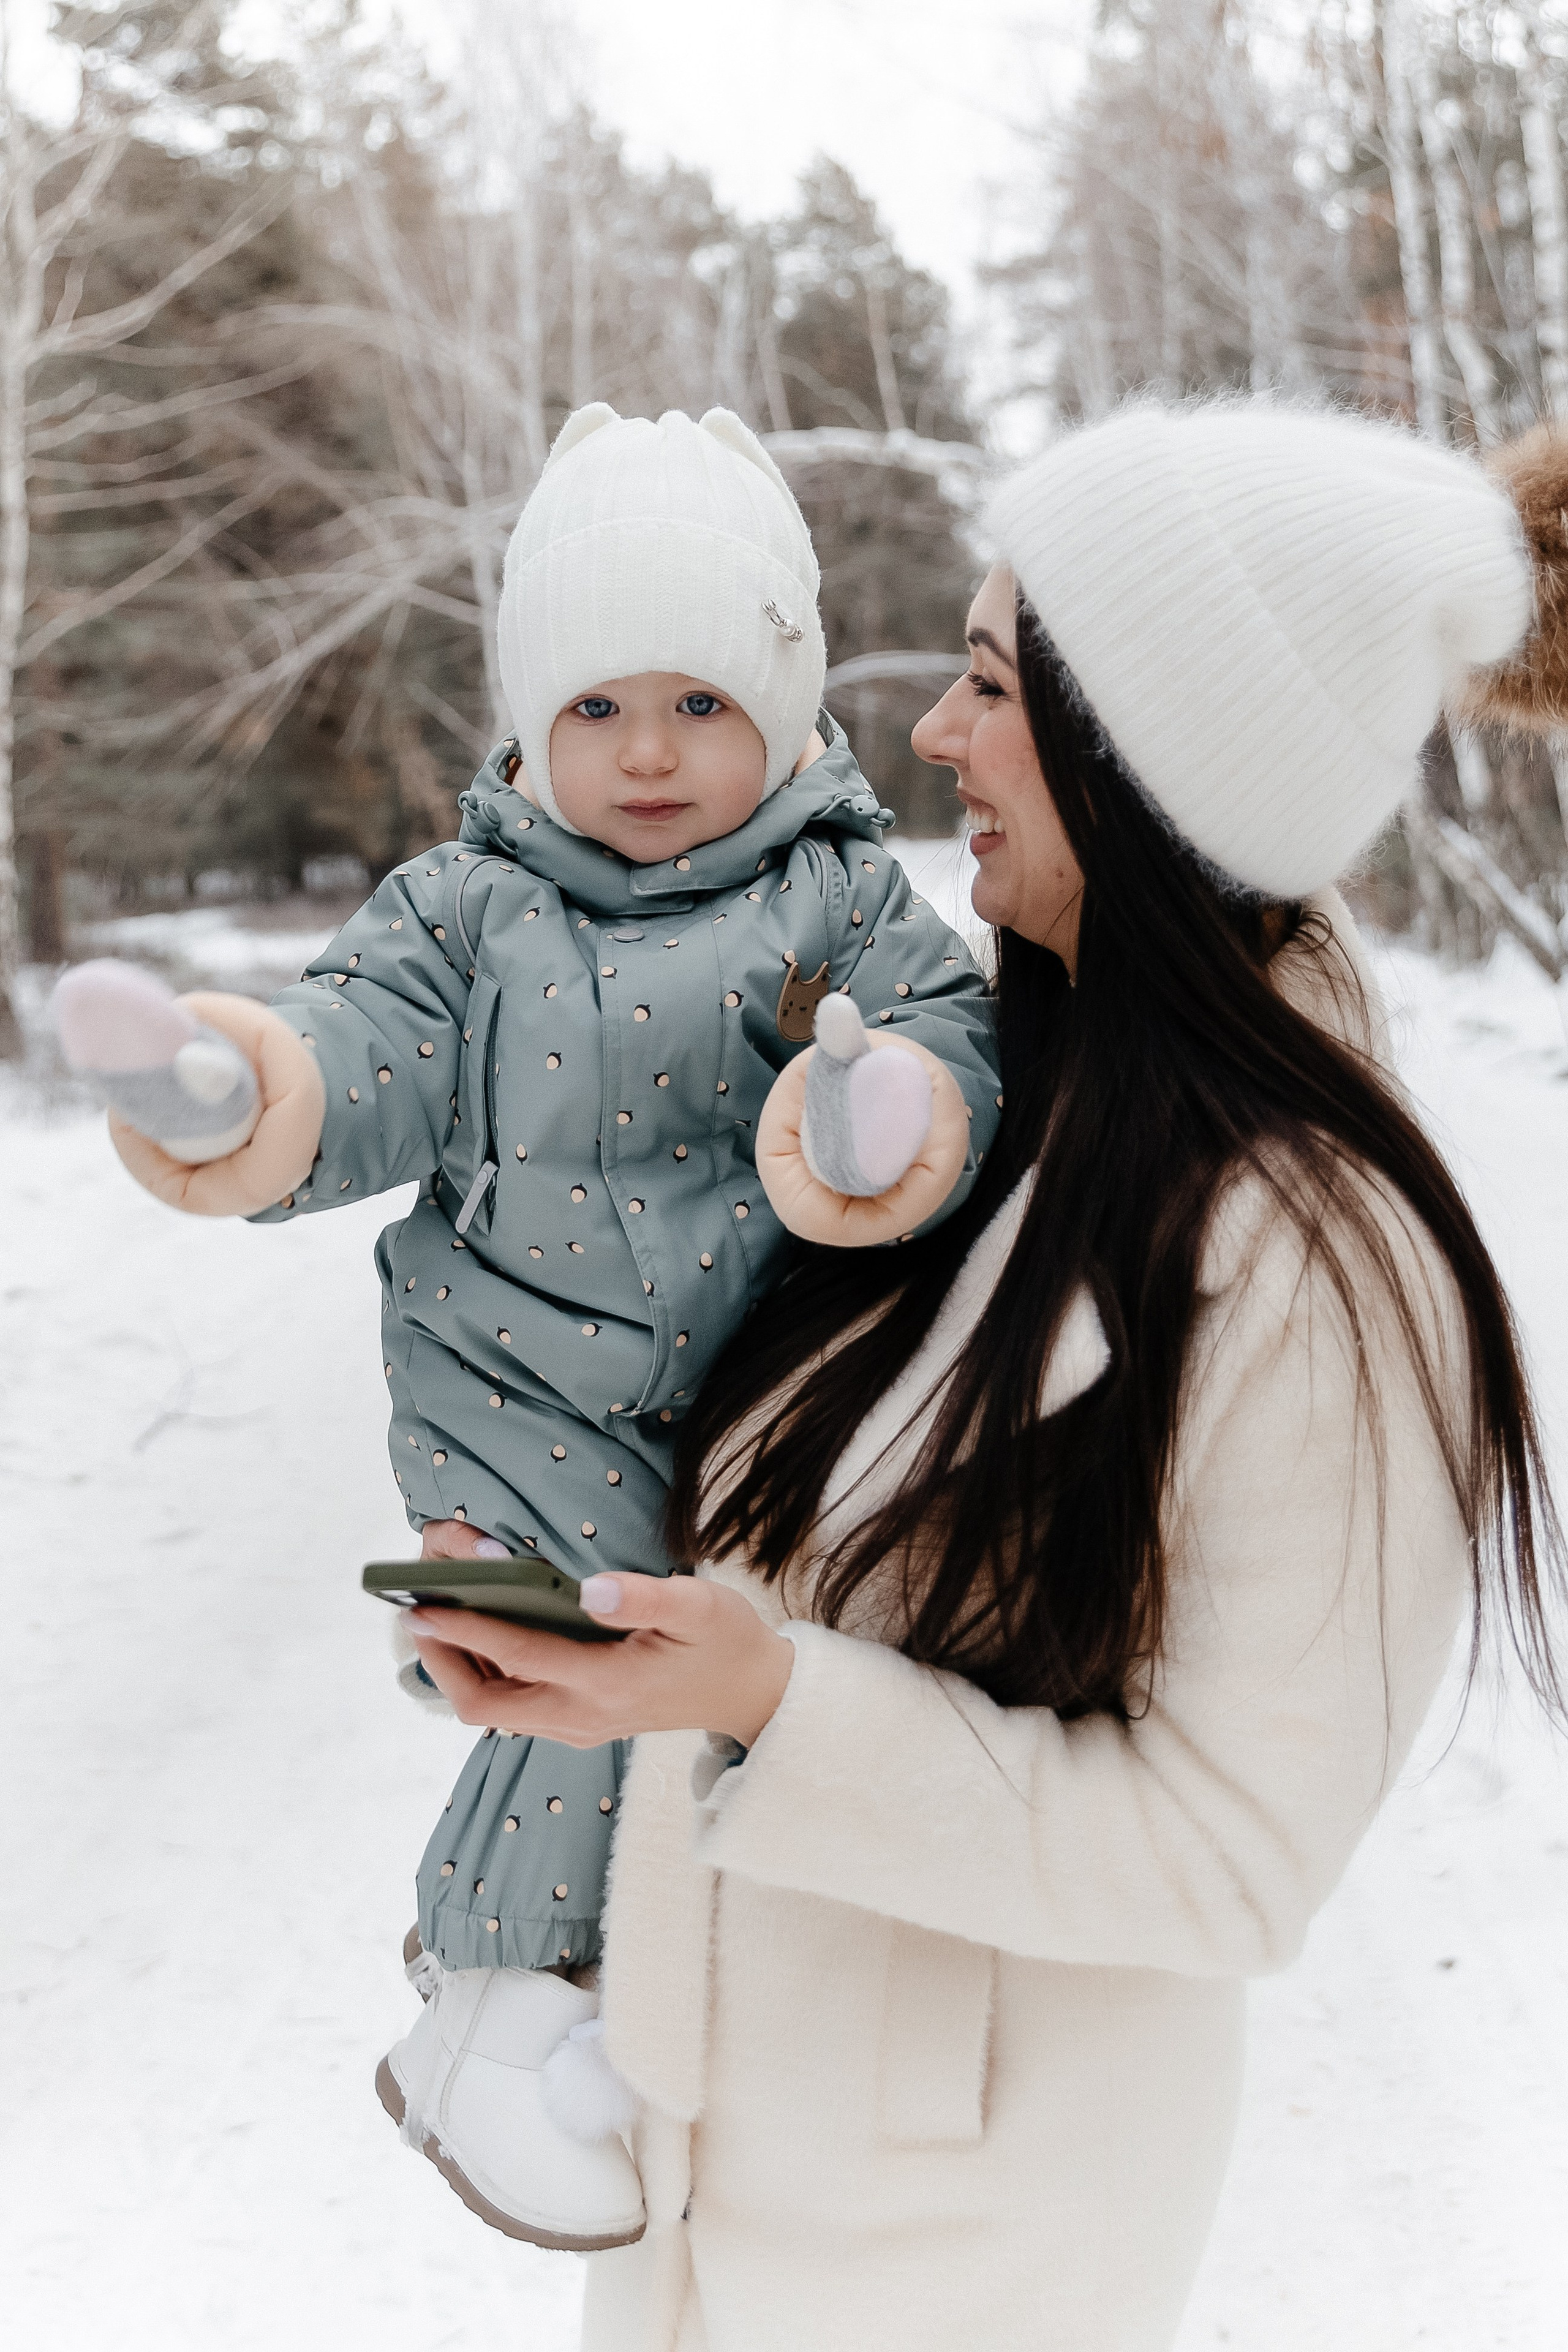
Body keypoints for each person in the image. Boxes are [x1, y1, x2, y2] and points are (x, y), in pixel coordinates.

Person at [398, 399, 1568, 2352]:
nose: (932, 738)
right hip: (721, 2196)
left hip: (965, 2262)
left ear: (1151, 761)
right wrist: (595, 1629)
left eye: (989, 679)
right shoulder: (988, 1104)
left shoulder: (1322, 1264)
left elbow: (1232, 1854)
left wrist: (770, 1702)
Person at [84, 404, 1001, 2252]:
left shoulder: (841, 896)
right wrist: (229, 1091)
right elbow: (356, 1057)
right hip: (521, 1399)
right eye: (595, 707)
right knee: (593, 1652)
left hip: (761, 1396)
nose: (648, 754)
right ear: (526, 718)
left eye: (698, 702)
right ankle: (500, 2012)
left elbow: (946, 1040)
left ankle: (599, 1999)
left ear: (789, 700)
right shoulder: (467, 912)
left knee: (742, 1691)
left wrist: (881, 1117)